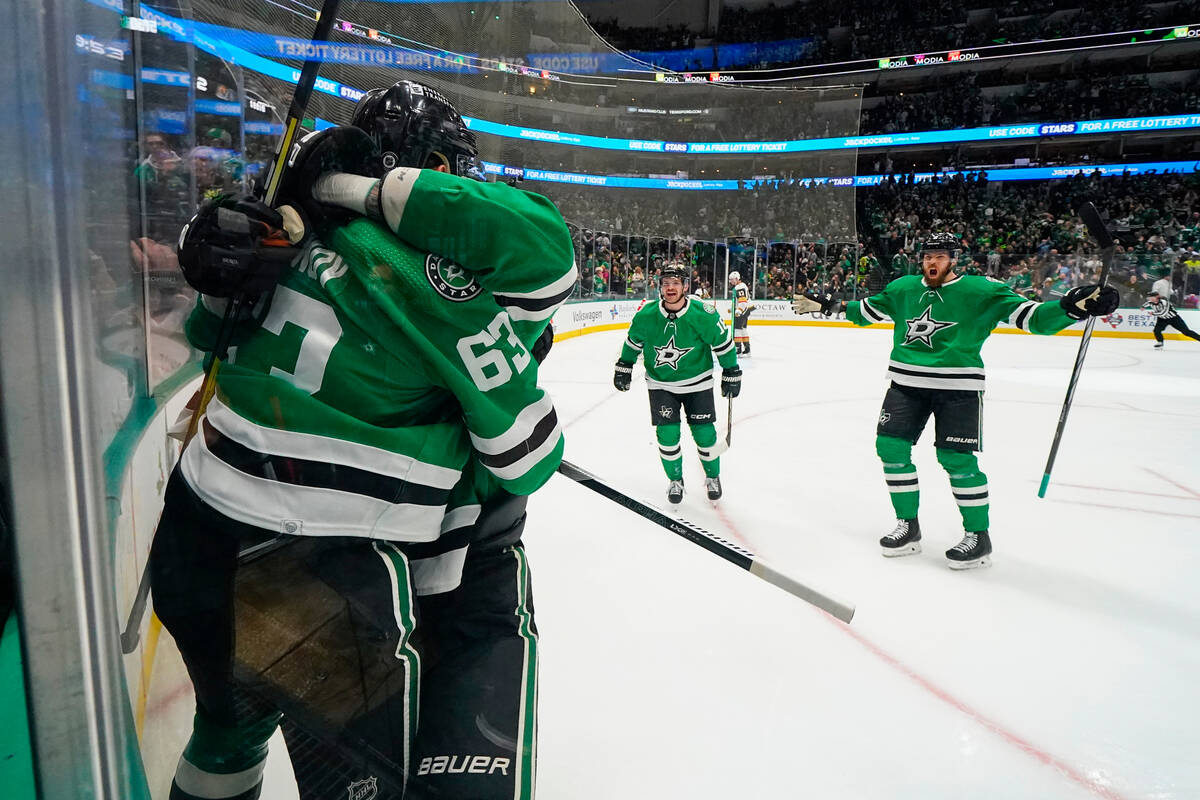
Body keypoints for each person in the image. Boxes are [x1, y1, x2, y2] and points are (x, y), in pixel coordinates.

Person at [150, 80, 575, 800]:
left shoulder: (288, 235)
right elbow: (526, 456)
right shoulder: (440, 282)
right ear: (436, 171)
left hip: (196, 535)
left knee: (227, 736)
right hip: (332, 571)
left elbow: (202, 330)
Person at [832, 232, 1117, 569]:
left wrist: (1071, 309)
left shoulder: (983, 292)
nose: (931, 262)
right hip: (905, 384)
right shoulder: (903, 288)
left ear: (954, 259)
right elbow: (865, 312)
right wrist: (827, 305)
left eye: (939, 256)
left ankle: (978, 536)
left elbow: (1035, 319)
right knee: (890, 449)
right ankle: (908, 526)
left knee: (955, 459)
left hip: (959, 388)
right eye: (926, 256)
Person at [613, 265, 741, 504]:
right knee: (667, 435)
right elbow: (633, 342)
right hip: (661, 385)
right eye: (665, 283)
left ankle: (713, 477)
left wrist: (731, 370)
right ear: (660, 287)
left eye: (675, 282)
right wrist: (624, 366)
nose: (670, 287)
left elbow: (723, 342)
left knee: (705, 435)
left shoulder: (703, 313)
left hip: (697, 383)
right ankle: (675, 480)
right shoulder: (647, 315)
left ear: (685, 286)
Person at [729, 270, 754, 355]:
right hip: (746, 309)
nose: (731, 281)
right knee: (743, 329)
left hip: (743, 310)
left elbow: (742, 301)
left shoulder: (739, 287)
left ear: (737, 279)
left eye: (732, 279)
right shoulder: (741, 286)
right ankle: (747, 349)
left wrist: (739, 310)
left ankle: (738, 349)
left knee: (737, 329)